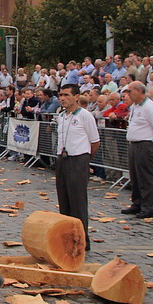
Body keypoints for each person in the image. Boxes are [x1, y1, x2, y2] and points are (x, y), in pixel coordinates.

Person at [54, 85, 100, 250]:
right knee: (64, 200)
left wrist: (85, 159)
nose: (62, 98)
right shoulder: (61, 116)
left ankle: (82, 240)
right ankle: (67, 237)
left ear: (76, 97)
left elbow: (94, 141)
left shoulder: (85, 116)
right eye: (60, 95)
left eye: (66, 95)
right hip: (62, 159)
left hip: (78, 159)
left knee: (78, 201)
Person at [122, 82, 153, 219]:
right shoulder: (135, 106)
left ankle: (148, 207)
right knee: (134, 176)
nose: (128, 94)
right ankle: (137, 203)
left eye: (130, 91)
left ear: (139, 91)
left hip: (145, 144)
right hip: (134, 144)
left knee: (145, 177)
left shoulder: (149, 107)